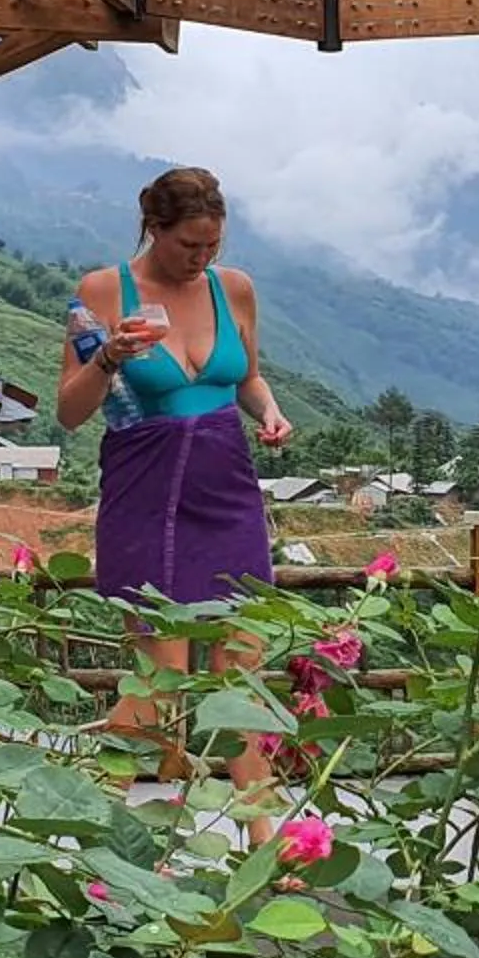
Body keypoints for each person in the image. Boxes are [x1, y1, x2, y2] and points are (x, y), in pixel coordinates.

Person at [58, 167, 293, 789]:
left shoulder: (234, 289)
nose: (201, 257)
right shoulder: (104, 292)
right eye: (188, 245)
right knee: (155, 688)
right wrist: (108, 356)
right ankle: (93, 824)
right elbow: (70, 412)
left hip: (226, 486)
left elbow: (246, 377)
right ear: (153, 230)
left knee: (240, 671)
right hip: (146, 489)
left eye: (212, 245)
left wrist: (269, 411)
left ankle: (265, 837)